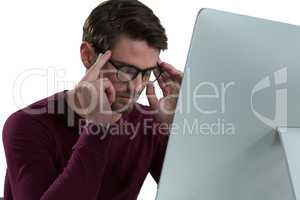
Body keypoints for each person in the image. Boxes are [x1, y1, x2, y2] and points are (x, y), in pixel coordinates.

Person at [2, 0, 183, 199]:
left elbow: (192, 193)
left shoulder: (149, 123)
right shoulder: (27, 125)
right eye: (126, 71)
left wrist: (177, 133)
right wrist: (98, 129)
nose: (137, 87)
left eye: (147, 73)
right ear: (88, 55)